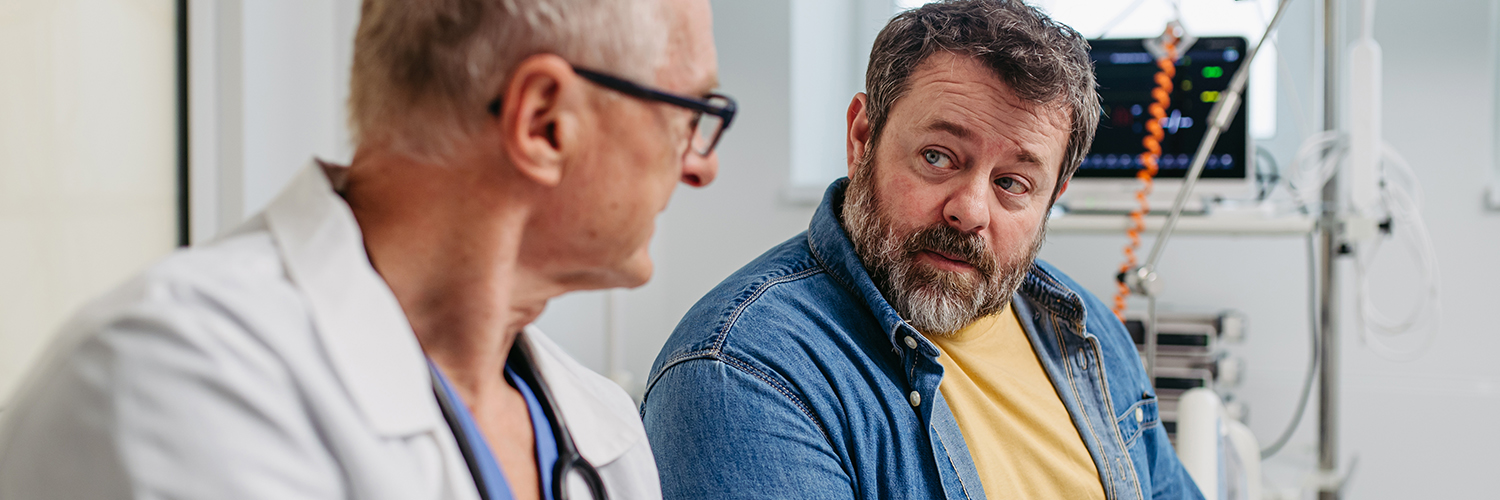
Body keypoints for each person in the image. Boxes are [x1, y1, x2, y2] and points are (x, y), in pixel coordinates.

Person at [0, 0, 731, 498]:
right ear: (544, 123)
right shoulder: (173, 382)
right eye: (690, 114)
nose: (703, 166)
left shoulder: (600, 423)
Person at [640, 1, 1202, 499]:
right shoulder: (743, 373)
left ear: (1054, 195)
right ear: (862, 139)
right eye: (938, 156)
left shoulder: (1085, 328)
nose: (970, 211)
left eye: (1012, 183)